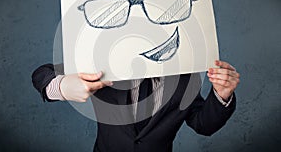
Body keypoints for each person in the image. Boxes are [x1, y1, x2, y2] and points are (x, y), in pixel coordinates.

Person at [32, 60, 240, 152]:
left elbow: (202, 124)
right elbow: (43, 72)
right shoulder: (101, 65)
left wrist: (221, 95)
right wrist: (61, 85)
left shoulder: (186, 77)